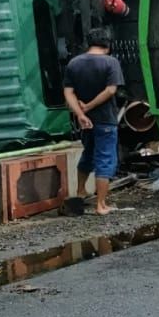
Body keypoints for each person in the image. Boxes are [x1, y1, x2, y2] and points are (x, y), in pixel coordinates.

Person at [62, 27, 126, 215]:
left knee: (88, 155)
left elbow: (68, 93)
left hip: (85, 121)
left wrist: (80, 114)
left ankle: (80, 192)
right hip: (105, 120)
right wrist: (89, 106)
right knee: (105, 159)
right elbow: (111, 90)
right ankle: (101, 205)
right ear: (107, 44)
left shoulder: (74, 63)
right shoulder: (111, 62)